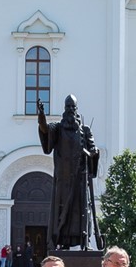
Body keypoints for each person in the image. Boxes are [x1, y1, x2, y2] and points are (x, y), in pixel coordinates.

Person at [37, 95, 100, 250]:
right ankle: (62, 241)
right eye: (68, 107)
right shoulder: (58, 128)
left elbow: (93, 148)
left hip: (80, 177)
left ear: (76, 109)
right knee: (62, 210)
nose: (71, 110)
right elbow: (45, 129)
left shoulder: (85, 130)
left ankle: (85, 241)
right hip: (63, 179)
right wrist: (41, 115)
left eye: (73, 107)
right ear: (64, 109)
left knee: (82, 210)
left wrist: (93, 153)